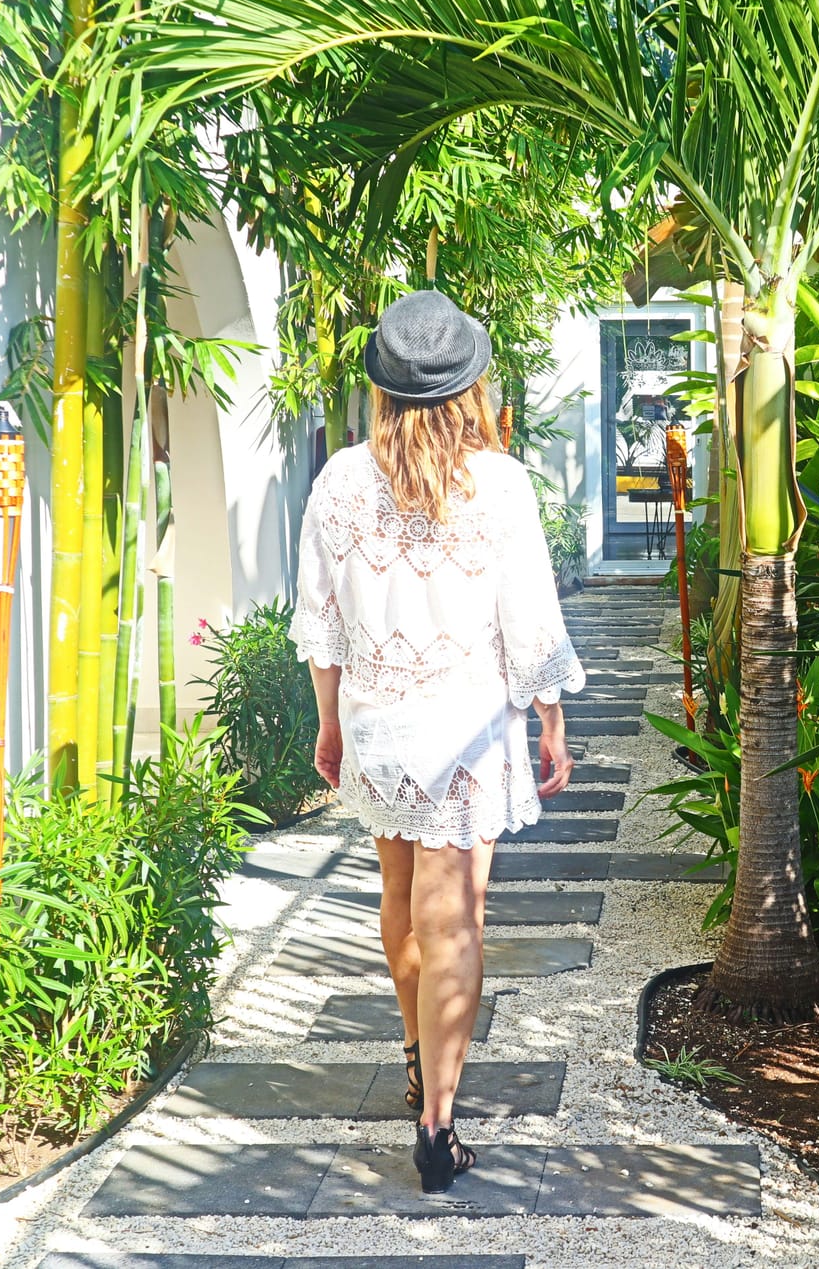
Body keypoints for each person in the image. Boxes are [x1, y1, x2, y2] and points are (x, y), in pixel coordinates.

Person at [288, 289, 583, 1193]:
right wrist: (551, 720)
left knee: (402, 893)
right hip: (464, 732)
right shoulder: (498, 483)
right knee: (455, 915)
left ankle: (419, 1057)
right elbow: (528, 618)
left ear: (384, 385)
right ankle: (437, 1125)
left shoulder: (340, 480)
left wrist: (329, 720)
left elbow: (320, 618)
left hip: (378, 723)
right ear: (468, 387)